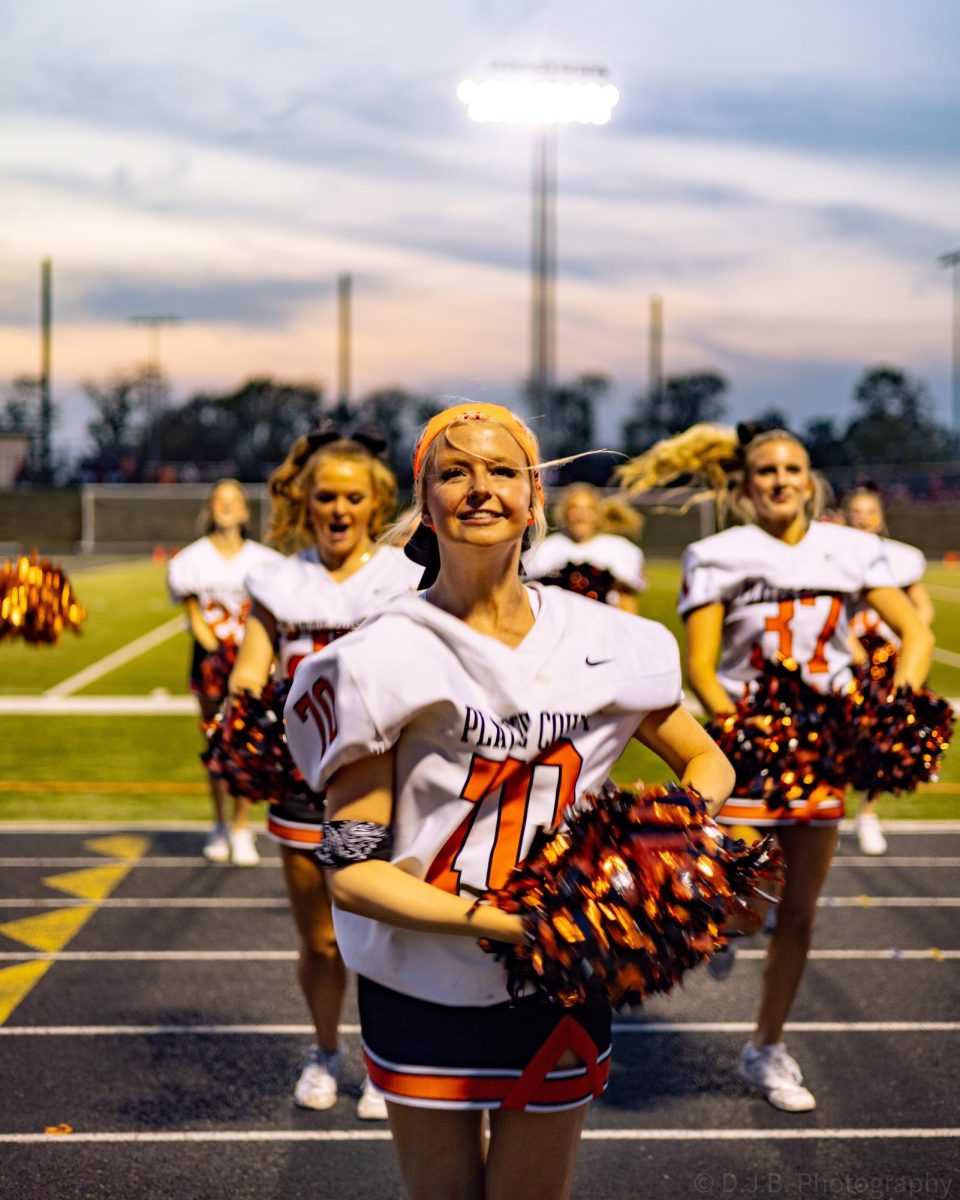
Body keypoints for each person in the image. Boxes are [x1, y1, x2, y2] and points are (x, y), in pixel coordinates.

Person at [284, 402, 735, 1200]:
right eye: (454, 472)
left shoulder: (613, 640)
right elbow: (351, 874)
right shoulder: (377, 655)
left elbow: (706, 759)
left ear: (536, 499)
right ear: (425, 504)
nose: (480, 488)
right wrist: (520, 924)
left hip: (558, 983)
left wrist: (662, 848)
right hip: (424, 982)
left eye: (502, 471)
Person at [619, 423, 933, 1112]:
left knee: (800, 910)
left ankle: (766, 1046)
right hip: (751, 748)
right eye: (766, 471)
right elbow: (701, 664)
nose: (781, 480)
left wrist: (891, 711)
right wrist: (745, 729)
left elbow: (916, 633)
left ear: (810, 479)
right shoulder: (717, 553)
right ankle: (735, 926)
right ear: (744, 485)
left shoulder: (850, 549)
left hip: (824, 750)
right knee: (742, 904)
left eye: (792, 469)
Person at [228, 430, 422, 1120]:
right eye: (325, 496)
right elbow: (252, 672)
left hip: (382, 782)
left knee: (378, 928)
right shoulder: (280, 579)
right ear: (306, 503)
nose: (338, 509)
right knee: (319, 937)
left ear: (376, 503)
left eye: (353, 496)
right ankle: (323, 1051)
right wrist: (242, 718)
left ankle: (381, 1056)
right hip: (303, 783)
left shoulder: (404, 576)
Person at [167, 479, 280, 865]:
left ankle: (241, 827)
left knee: (247, 743)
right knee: (216, 742)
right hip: (210, 660)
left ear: (245, 511)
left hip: (253, 659)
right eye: (219, 501)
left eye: (234, 501)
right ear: (209, 508)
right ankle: (218, 824)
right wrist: (222, 655)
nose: (226, 507)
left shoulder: (265, 560)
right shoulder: (189, 560)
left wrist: (250, 661)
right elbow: (195, 616)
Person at [843, 485, 935, 855]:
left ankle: (867, 814)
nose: (863, 518)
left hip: (886, 662)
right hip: (841, 657)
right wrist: (852, 651)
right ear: (844, 514)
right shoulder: (827, 554)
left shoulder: (900, 558)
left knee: (884, 739)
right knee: (837, 739)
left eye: (870, 511)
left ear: (881, 516)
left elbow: (922, 609)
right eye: (856, 511)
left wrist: (904, 642)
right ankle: (822, 816)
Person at [522, 481, 646, 611]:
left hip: (605, 625)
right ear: (563, 513)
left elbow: (627, 602)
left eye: (588, 509)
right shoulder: (541, 550)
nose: (581, 515)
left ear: (597, 514)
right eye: (574, 508)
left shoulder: (620, 549)